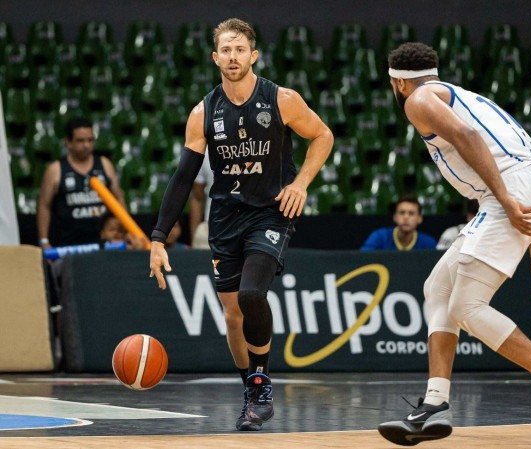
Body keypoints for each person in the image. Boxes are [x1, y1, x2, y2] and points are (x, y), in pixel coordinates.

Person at [377, 43, 531, 448]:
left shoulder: (418, 100)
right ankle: (436, 402)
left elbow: (467, 137)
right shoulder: (463, 95)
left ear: (398, 82)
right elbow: (523, 163)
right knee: (438, 288)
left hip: (512, 193)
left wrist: (507, 200)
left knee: (467, 307)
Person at [147, 18, 333, 431]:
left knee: (251, 294)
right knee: (233, 315)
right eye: (226, 51)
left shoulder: (282, 99)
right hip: (225, 217)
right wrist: (158, 237)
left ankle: (262, 383)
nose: (233, 57)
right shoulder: (203, 112)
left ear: (254, 56)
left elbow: (323, 136)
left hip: (270, 212)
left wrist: (300, 184)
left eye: (240, 50)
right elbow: (183, 177)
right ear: (215, 58)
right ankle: (250, 389)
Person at [36, 117, 125, 248]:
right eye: (80, 140)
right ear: (68, 142)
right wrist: (44, 240)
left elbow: (119, 198)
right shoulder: (55, 169)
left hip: (101, 243)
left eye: (90, 140)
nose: (86, 145)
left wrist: (123, 232)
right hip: (68, 244)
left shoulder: (104, 164)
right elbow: (44, 206)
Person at [361, 196, 437, 250]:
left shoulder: (429, 243)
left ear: (420, 218)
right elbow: (363, 260)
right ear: (394, 217)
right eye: (402, 212)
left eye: (411, 213)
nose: (406, 217)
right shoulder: (379, 237)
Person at [189, 154, 214, 249]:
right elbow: (197, 198)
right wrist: (195, 238)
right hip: (211, 228)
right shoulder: (205, 154)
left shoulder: (256, 151)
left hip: (249, 227)